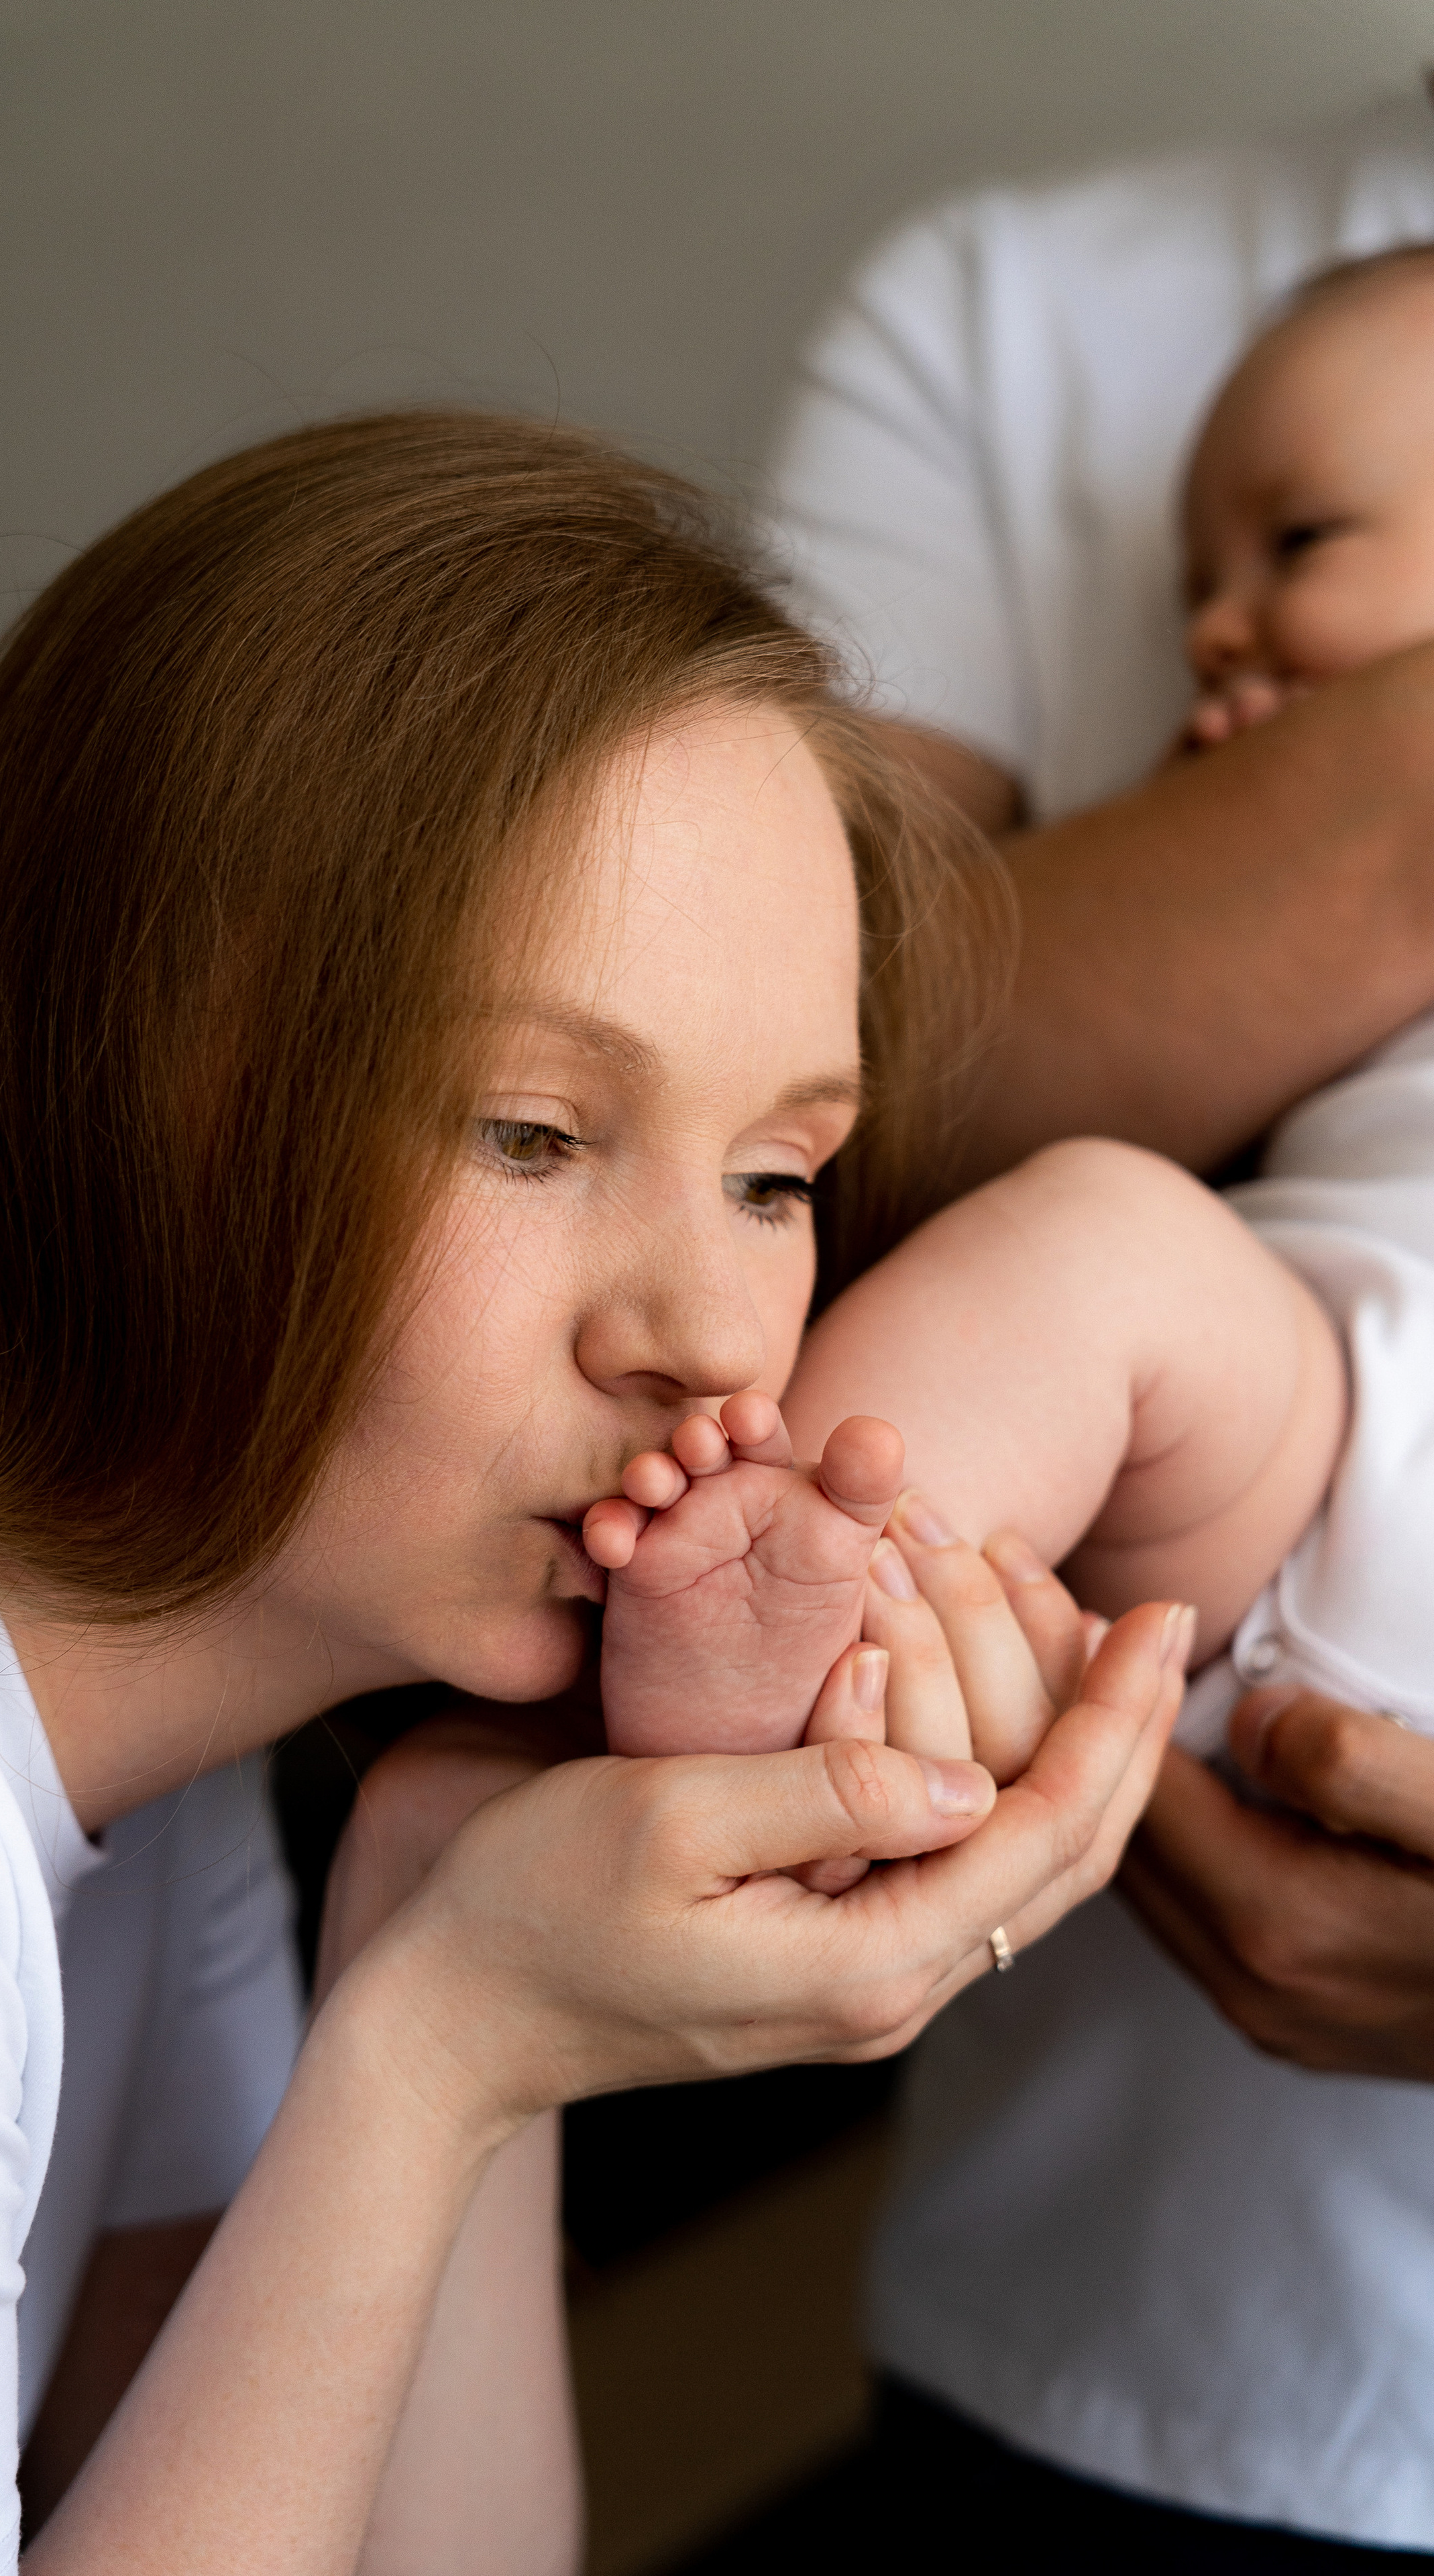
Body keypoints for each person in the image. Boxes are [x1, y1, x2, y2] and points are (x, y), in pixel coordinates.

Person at [0, 411, 1189, 2576]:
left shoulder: (148, 1762)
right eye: (534, 1132)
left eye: (779, 1174)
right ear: (149, 1093)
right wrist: (443, 2055)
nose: (707, 1326)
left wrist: (450, 1893)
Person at [768, 99, 1434, 2557]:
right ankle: (774, 1627)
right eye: (1195, 576)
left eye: (1299, 556)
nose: (1212, 629)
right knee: (1105, 1258)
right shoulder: (1009, 312)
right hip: (1149, 2320)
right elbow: (782, 1117)